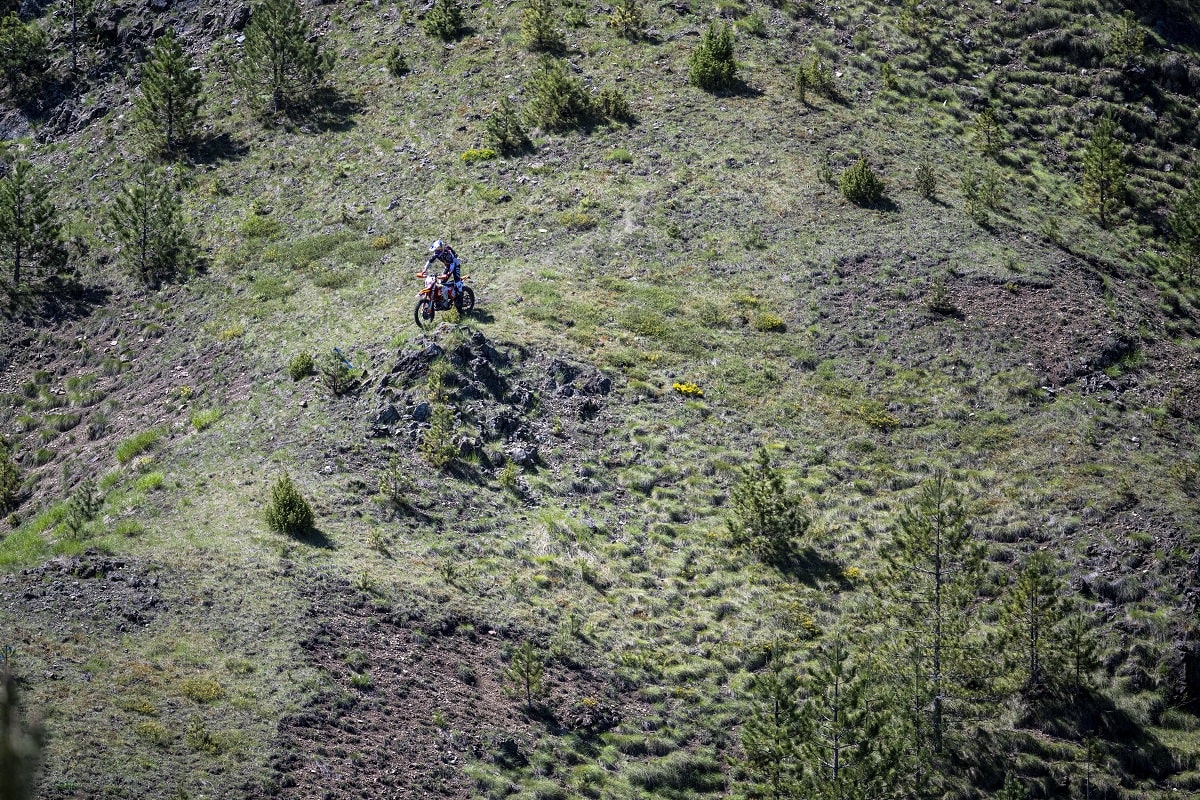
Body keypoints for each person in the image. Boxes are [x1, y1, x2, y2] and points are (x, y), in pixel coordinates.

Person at [424, 240, 462, 308]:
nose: (436, 252)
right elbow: (430, 261)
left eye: (438, 250)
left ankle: (460, 298)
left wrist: (448, 273)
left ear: (441, 248)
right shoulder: (437, 254)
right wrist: (424, 270)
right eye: (436, 250)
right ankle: (444, 298)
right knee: (441, 283)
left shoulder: (447, 253)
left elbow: (452, 264)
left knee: (457, 281)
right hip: (448, 266)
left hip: (455, 265)